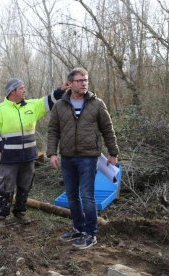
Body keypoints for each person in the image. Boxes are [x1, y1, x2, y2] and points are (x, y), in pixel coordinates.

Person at [47, 67, 119, 249]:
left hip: (89, 157)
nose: (84, 83)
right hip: (68, 157)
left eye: (85, 80)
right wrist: (52, 153)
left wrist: (113, 153)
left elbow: (108, 130)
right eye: (79, 81)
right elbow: (53, 131)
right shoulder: (59, 105)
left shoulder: (97, 104)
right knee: (72, 196)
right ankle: (78, 228)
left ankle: (91, 233)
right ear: (70, 84)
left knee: (87, 196)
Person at [0, 78, 69, 227]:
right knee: (6, 187)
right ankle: (1, 216)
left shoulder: (32, 105)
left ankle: (20, 212)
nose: (24, 90)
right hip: (9, 159)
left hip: (28, 157)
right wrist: (3, 149)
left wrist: (61, 89)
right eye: (21, 88)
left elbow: (49, 101)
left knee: (25, 186)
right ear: (12, 92)